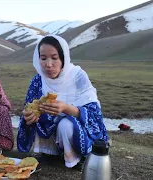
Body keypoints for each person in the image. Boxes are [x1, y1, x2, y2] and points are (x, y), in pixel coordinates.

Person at [17, 34, 108, 168]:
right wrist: (29, 116)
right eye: (43, 58)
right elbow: (29, 108)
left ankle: (75, 157)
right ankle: (50, 153)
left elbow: (95, 115)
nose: (48, 64)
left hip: (74, 130)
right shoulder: (38, 80)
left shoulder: (78, 77)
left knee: (66, 124)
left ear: (64, 58)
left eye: (54, 58)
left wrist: (66, 108)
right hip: (49, 130)